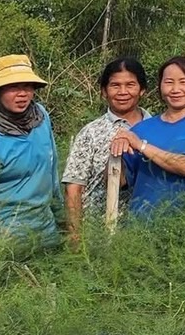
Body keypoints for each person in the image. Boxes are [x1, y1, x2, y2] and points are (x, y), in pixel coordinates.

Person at [110, 56, 185, 215]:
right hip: (141, 228)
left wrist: (142, 146)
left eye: (184, 82)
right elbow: (118, 181)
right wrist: (116, 151)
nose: (175, 89)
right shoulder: (141, 129)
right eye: (169, 82)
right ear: (160, 86)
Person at [0, 55, 61, 250]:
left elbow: (52, 172)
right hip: (8, 234)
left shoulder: (41, 117)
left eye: (27, 86)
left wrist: (62, 218)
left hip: (47, 229)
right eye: (13, 87)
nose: (22, 94)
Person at [60, 58, 152, 241]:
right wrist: (75, 235)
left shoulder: (157, 128)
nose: (123, 92)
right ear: (104, 91)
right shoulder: (90, 133)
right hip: (97, 235)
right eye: (115, 85)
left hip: (145, 234)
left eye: (130, 85)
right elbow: (74, 189)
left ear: (142, 90)